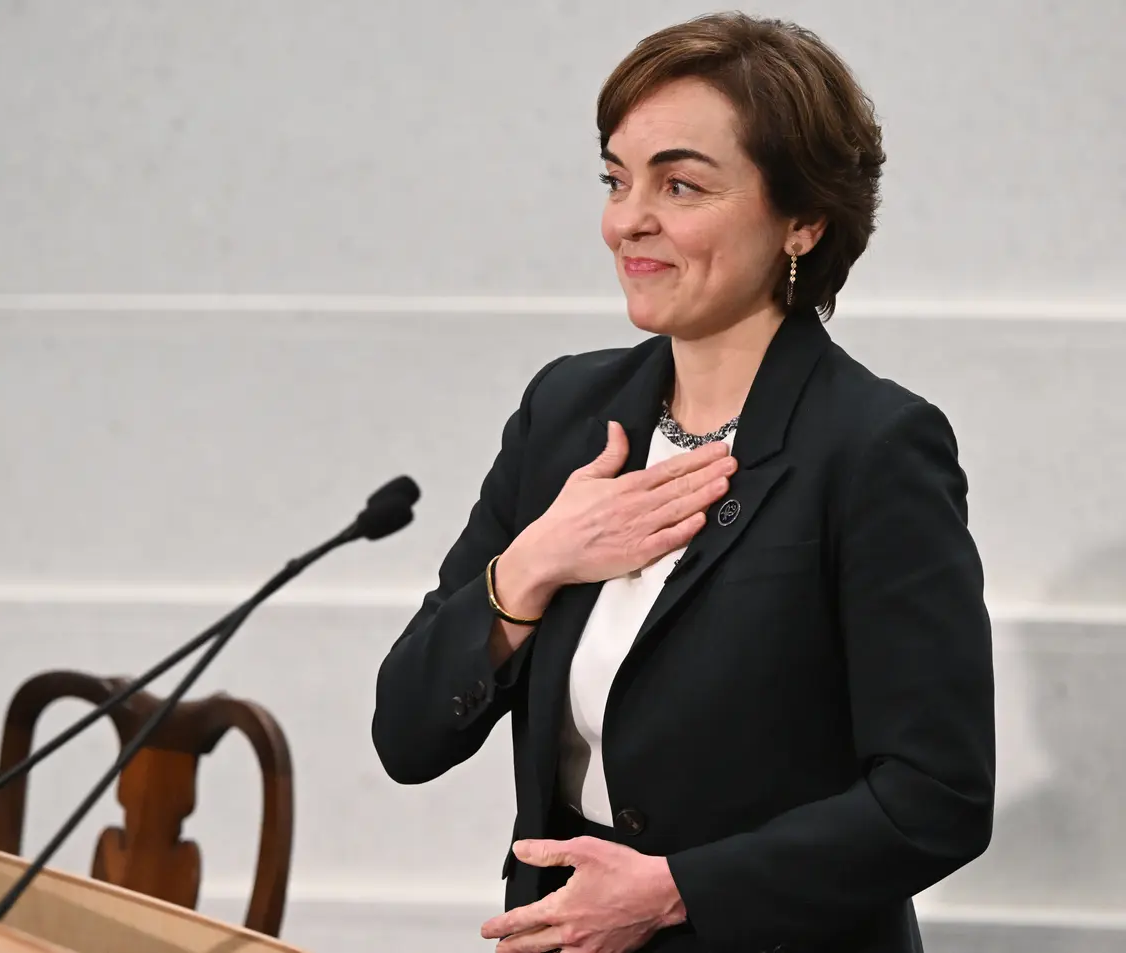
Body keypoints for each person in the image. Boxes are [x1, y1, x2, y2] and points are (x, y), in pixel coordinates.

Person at [371, 12, 994, 953]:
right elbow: (407, 734)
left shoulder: (872, 446)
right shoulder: (565, 413)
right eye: (617, 179)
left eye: (681, 184)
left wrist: (675, 891)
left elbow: (936, 796)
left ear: (803, 221)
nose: (629, 220)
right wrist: (532, 566)